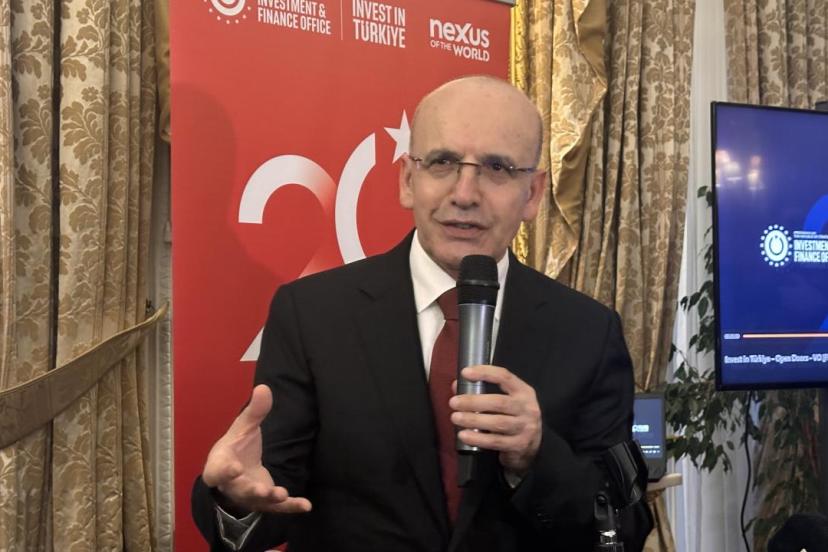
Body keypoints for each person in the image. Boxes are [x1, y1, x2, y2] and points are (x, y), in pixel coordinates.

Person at [191, 75, 651, 551]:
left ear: (532, 194)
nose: (465, 194)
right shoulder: (312, 315)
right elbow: (270, 498)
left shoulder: (587, 331)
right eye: (443, 162)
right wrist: (235, 500)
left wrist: (536, 456)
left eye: (496, 167)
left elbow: (624, 527)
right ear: (409, 181)